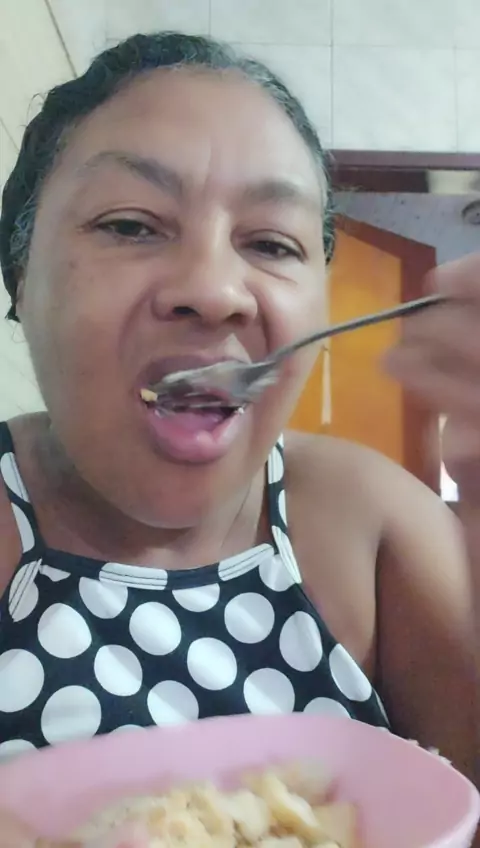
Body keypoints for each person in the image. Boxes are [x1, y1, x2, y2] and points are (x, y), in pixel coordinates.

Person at [0, 31, 478, 792]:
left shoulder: (376, 524)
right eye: (130, 225)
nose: (215, 290)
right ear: (20, 273)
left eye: (272, 243)